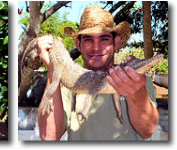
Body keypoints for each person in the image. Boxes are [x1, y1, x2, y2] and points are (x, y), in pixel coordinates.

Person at [35, 5, 159, 140]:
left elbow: (148, 130)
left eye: (104, 39)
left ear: (116, 43)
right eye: (88, 39)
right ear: (78, 44)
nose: (96, 47)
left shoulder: (139, 80)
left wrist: (136, 91)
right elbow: (48, 136)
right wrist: (53, 66)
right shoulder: (67, 82)